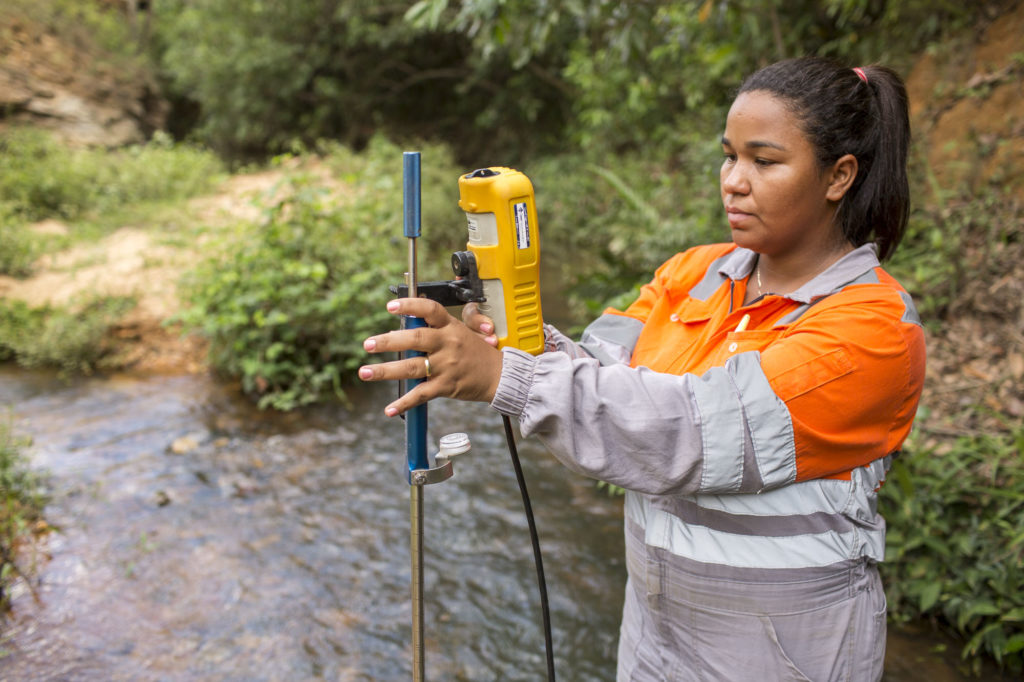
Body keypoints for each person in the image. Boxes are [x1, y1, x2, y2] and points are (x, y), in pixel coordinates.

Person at [359, 56, 926, 682]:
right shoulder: (695, 272)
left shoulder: (874, 329)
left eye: (764, 162)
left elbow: (690, 431)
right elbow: (604, 371)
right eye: (729, 155)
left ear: (838, 176)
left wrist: (503, 377)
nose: (734, 181)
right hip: (655, 637)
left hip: (783, 654)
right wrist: (519, 347)